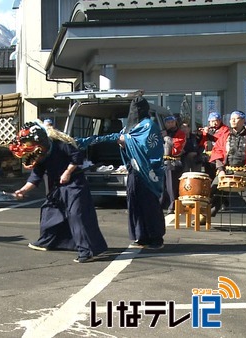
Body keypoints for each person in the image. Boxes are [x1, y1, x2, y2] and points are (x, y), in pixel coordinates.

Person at [9, 120, 108, 263]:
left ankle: (87, 251)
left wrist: (67, 172)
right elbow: (35, 176)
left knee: (77, 215)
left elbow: (77, 157)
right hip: (58, 186)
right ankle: (49, 241)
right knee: (50, 210)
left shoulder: (59, 145)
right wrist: (23, 190)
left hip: (75, 184)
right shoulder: (40, 155)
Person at [76, 97, 165, 249]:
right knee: (135, 204)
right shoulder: (128, 128)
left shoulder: (149, 125)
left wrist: (127, 141)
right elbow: (119, 138)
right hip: (133, 172)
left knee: (149, 205)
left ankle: (156, 238)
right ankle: (141, 236)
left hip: (147, 172)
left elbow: (148, 147)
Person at [209, 110, 246, 214]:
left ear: (242, 120)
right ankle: (206, 215)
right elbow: (217, 151)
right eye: (231, 118)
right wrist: (220, 169)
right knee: (214, 190)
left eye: (236, 118)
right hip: (226, 171)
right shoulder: (225, 135)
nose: (232, 120)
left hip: (245, 172)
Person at [160, 115, 186, 214]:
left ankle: (173, 206)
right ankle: (160, 204)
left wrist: (166, 137)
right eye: (168, 122)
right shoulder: (162, 132)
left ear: (175, 122)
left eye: (172, 122)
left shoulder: (180, 133)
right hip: (162, 162)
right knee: (161, 185)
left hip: (173, 162)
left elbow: (177, 147)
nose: (170, 124)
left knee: (172, 186)